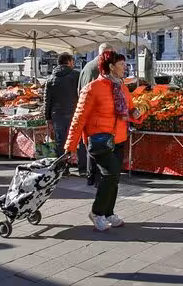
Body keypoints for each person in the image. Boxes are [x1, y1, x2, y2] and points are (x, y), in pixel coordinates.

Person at [65, 51, 137, 232]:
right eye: (121, 64)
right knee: (110, 175)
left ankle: (108, 212)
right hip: (99, 140)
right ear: (111, 67)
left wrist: (136, 113)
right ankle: (97, 212)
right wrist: (70, 146)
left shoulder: (122, 87)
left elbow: (129, 109)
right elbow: (79, 118)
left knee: (114, 178)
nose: (125, 67)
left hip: (119, 138)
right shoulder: (92, 88)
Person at [78, 43, 114, 184]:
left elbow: (80, 89)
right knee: (99, 146)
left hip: (87, 111)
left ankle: (91, 176)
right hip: (97, 113)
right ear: (107, 53)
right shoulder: (101, 68)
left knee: (90, 145)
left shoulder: (87, 66)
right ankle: (97, 177)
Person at [44, 52, 80, 174]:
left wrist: (47, 117)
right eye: (72, 61)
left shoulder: (51, 77)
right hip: (74, 112)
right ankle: (83, 167)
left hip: (57, 114)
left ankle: (62, 168)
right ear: (69, 62)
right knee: (76, 139)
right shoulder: (76, 75)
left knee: (61, 142)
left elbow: (47, 99)